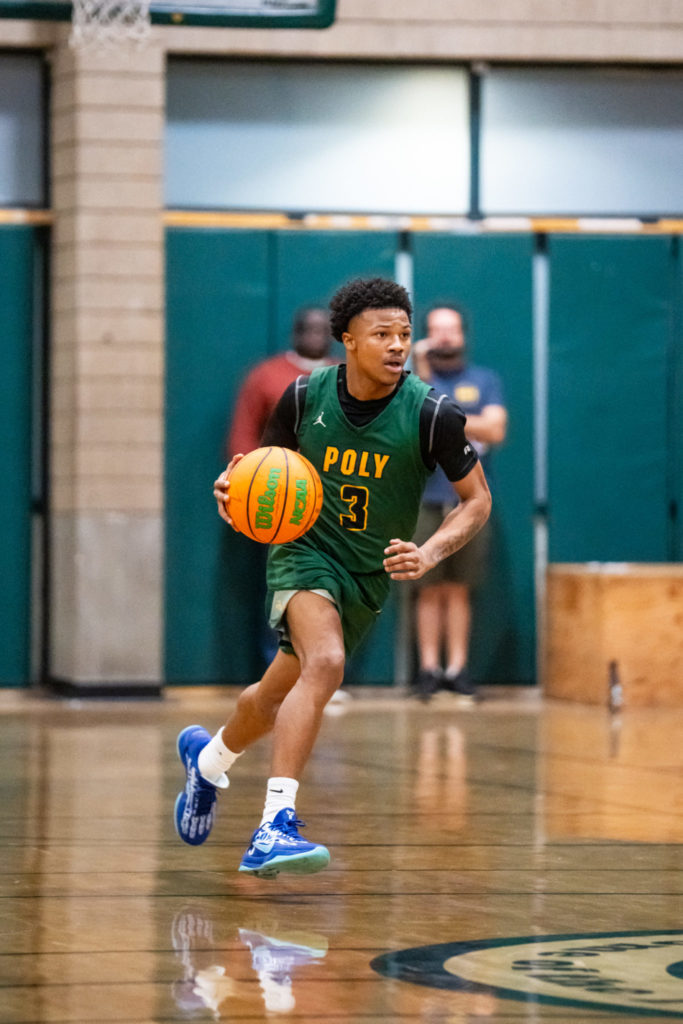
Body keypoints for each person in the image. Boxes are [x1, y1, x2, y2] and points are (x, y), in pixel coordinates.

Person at [174, 277, 491, 878]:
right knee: (325, 663)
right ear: (347, 340)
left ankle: (209, 761)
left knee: (274, 696)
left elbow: (476, 501)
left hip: (366, 573)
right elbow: (257, 474)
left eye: (403, 333)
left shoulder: (432, 413)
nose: (398, 345)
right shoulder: (300, 398)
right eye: (382, 335)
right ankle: (274, 826)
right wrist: (230, 490)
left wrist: (430, 551)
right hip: (304, 550)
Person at [410, 305, 507, 701]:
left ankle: (457, 668)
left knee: (459, 589)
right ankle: (429, 670)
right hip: (424, 498)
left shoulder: (484, 379)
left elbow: (495, 428)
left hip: (468, 499)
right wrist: (419, 363)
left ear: (463, 334)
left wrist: (446, 418)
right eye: (436, 330)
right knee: (427, 586)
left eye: (451, 329)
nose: (444, 337)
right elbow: (415, 413)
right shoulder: (417, 379)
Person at [227, 306, 335, 458]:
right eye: (309, 329)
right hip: (276, 472)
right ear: (296, 334)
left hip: (329, 473)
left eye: (322, 330)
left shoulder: (346, 375)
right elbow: (243, 432)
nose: (316, 336)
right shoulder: (266, 374)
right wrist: (249, 470)